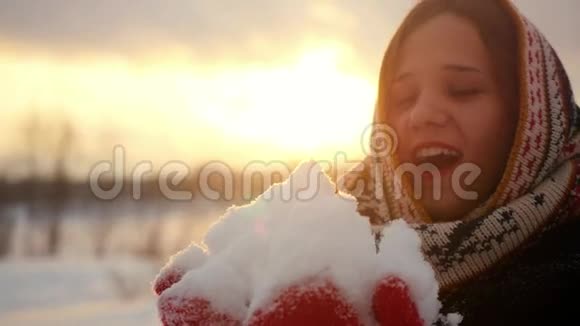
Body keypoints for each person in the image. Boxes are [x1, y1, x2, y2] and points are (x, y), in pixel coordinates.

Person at [343, 0, 580, 324]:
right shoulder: (333, 247)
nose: (423, 113)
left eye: (462, 90)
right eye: (404, 98)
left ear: (528, 113)